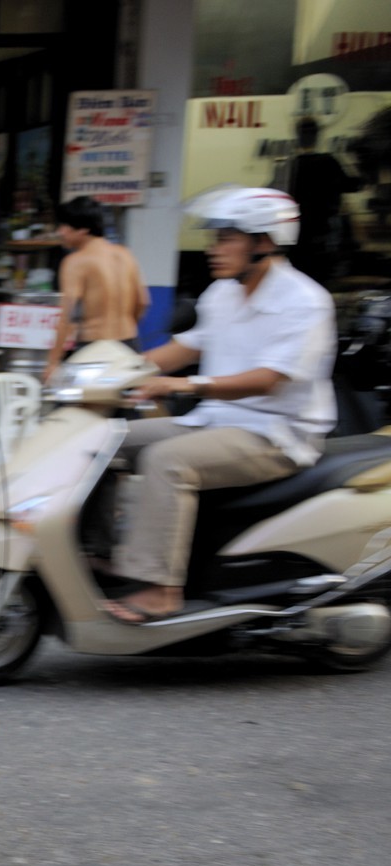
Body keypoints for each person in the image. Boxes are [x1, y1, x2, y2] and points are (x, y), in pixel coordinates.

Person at [103, 187, 335, 624]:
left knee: (167, 460)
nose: (213, 249)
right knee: (102, 440)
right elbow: (188, 345)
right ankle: (105, 554)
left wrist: (183, 385)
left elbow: (269, 381)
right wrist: (112, 370)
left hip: (276, 434)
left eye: (226, 238)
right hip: (214, 420)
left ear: (264, 242)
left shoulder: (304, 302)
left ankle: (161, 589)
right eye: (215, 238)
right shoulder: (223, 293)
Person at [44, 196, 148, 380]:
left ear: (83, 229)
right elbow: (143, 301)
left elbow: (67, 316)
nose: (60, 232)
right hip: (128, 346)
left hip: (94, 351)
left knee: (76, 407)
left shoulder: (75, 261)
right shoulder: (125, 254)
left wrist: (53, 362)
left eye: (64, 226)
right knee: (124, 406)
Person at [277, 115, 362, 285]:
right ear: (317, 136)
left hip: (295, 236)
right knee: (322, 281)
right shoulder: (328, 162)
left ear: (297, 137)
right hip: (323, 234)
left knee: (298, 280)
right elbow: (352, 185)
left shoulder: (288, 166)